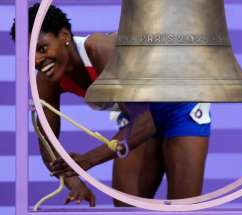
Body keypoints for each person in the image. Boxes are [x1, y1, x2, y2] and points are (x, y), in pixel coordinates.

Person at [11, 3, 211, 207]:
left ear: (64, 36)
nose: (36, 60)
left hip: (179, 105)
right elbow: (47, 142)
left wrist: (88, 160)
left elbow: (146, 124)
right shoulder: (46, 80)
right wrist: (75, 183)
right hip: (138, 117)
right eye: (29, 55)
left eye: (42, 48)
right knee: (126, 207)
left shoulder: (100, 49)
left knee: (183, 209)